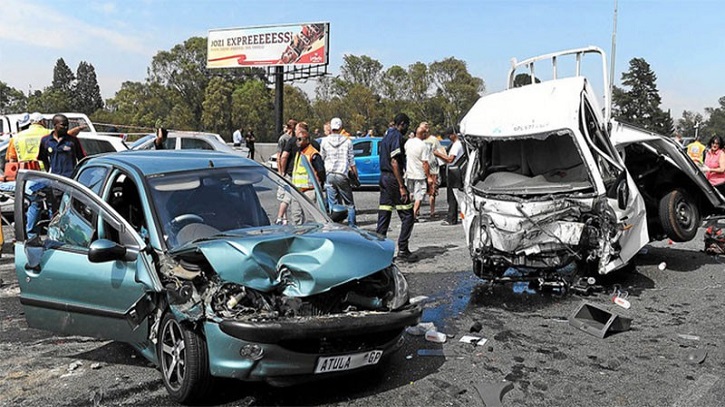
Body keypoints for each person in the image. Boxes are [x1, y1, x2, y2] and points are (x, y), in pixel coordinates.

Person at [27, 114, 87, 237]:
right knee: (56, 211)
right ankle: (56, 235)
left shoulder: (72, 141)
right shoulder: (46, 141)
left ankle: (73, 235)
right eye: (62, 125)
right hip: (55, 182)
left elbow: (82, 159)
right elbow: (43, 158)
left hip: (71, 182)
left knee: (73, 209)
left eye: (67, 125)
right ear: (55, 125)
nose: (65, 127)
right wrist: (49, 173)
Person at [376, 113, 417, 262]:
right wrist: (401, 186)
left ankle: (378, 249)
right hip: (393, 179)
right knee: (408, 215)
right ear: (403, 124)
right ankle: (403, 250)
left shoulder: (387, 135)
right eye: (407, 125)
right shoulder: (396, 136)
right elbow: (394, 162)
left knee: (385, 213)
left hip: (384, 178)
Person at [319, 117, 358, 226]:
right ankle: (352, 225)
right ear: (341, 127)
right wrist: (355, 175)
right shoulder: (348, 141)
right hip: (342, 174)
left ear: (331, 127)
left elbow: (322, 158)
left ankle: (334, 224)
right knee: (350, 204)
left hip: (330, 174)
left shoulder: (324, 141)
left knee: (333, 203)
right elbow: (351, 161)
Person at [404, 122, 433, 221]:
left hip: (409, 173)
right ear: (423, 134)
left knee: (410, 194)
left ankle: (409, 213)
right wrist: (428, 176)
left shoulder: (408, 142)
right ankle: (413, 215)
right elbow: (425, 163)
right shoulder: (423, 146)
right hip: (419, 174)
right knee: (419, 196)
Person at [291, 128, 325, 203]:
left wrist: (320, 184)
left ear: (307, 140)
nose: (297, 142)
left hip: (310, 190)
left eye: (300, 139)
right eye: (297, 139)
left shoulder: (313, 153)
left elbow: (321, 170)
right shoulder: (299, 152)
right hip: (297, 190)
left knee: (309, 214)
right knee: (296, 214)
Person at [425, 127, 450, 219]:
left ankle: (432, 211)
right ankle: (417, 211)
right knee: (419, 192)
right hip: (421, 169)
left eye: (427, 126)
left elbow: (441, 150)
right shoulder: (418, 140)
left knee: (432, 191)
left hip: (433, 169)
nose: (426, 128)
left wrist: (444, 158)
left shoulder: (434, 140)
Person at [442, 128, 464, 226]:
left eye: (449, 136)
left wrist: (439, 155)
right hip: (454, 172)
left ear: (453, 134)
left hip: (454, 173)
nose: (449, 138)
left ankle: (451, 218)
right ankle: (452, 216)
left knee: (452, 196)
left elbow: (450, 159)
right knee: (452, 196)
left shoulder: (456, 145)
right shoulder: (456, 144)